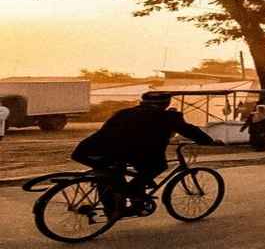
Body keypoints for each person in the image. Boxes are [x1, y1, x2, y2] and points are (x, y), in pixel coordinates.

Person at [71, 92, 218, 217]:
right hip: (122, 152)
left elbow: (108, 132)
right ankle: (130, 195)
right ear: (166, 104)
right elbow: (189, 130)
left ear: (142, 102)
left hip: (86, 151)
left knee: (109, 174)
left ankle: (114, 208)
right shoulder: (167, 116)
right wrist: (209, 141)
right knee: (157, 166)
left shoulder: (123, 112)